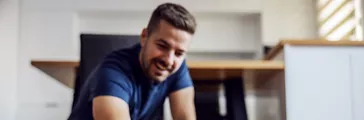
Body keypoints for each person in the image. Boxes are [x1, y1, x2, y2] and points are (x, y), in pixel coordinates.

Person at [68, 2, 197, 120]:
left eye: (179, 53)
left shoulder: (177, 67)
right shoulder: (112, 73)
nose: (169, 60)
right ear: (144, 37)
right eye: (162, 46)